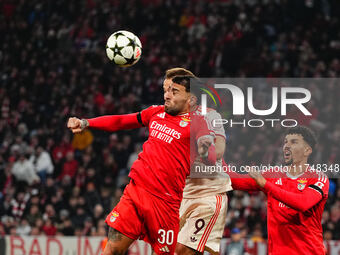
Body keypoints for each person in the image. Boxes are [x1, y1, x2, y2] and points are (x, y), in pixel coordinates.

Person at [67, 75, 214, 255]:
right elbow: (122, 121)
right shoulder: (156, 112)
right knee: (112, 249)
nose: (167, 95)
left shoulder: (199, 123)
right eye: (167, 91)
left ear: (191, 99)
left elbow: (210, 153)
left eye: (174, 92)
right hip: (136, 192)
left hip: (165, 204)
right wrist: (87, 123)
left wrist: (205, 150)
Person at [229, 126, 329, 255]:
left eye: (293, 142)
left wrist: (266, 185)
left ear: (307, 150)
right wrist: (214, 158)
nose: (286, 146)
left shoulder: (318, 177)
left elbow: (302, 203)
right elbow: (237, 182)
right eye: (285, 142)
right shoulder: (273, 174)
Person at [163, 68, 231, 255]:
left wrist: (202, 153)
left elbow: (218, 151)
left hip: (207, 194)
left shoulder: (210, 115)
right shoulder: (164, 120)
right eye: (165, 89)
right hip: (179, 196)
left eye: (172, 89)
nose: (167, 94)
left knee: (183, 250)